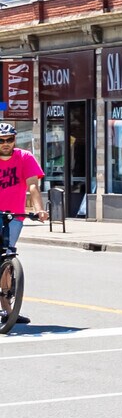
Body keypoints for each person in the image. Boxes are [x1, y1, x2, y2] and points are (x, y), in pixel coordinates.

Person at [0, 122, 45, 326]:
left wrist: (39, 209)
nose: (6, 144)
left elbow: (33, 185)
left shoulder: (24, 157)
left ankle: (9, 311)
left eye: (10, 139)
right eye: (1, 140)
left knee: (7, 256)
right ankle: (9, 311)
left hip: (14, 215)